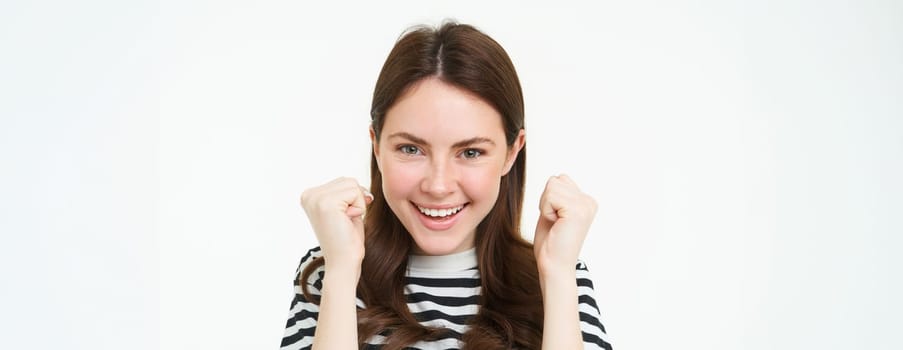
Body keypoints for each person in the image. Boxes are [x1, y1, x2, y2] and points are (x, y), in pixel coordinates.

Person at [280, 21, 612, 350]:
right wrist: (341, 270)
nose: (438, 186)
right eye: (411, 149)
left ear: (512, 153)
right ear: (376, 146)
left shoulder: (560, 274)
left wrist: (556, 275)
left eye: (470, 152)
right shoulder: (331, 269)